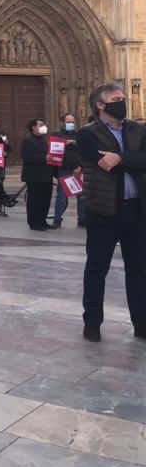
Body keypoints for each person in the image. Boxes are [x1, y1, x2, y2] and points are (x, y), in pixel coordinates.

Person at [76, 82, 146, 342]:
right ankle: (92, 323)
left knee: (139, 269)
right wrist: (131, 160)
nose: (122, 101)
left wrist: (122, 158)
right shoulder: (87, 135)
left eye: (123, 97)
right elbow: (104, 163)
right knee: (96, 268)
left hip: (136, 209)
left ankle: (142, 323)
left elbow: (131, 161)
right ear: (100, 105)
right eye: (117, 98)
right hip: (103, 211)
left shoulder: (138, 129)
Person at [21, 118, 53, 231]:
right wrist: (44, 158)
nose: (43, 127)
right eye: (40, 125)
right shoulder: (28, 140)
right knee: (35, 200)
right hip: (34, 175)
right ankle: (34, 222)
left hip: (46, 174)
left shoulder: (44, 140)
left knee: (45, 199)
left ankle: (42, 220)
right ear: (33, 127)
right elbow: (27, 157)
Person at [52, 113, 83, 229]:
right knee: (62, 196)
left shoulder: (79, 135)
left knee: (81, 196)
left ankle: (82, 219)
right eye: (68, 122)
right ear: (62, 122)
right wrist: (65, 143)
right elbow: (53, 150)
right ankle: (57, 219)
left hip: (77, 169)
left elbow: (84, 152)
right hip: (63, 169)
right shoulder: (57, 135)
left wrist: (81, 166)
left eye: (72, 122)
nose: (71, 124)